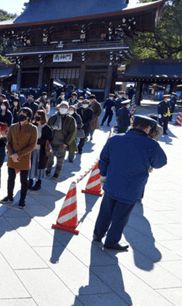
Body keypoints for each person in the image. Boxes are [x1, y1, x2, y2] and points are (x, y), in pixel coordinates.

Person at [93, 115, 167, 251]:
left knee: (105, 212)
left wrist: (104, 174)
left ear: (133, 125)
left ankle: (97, 235)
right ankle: (111, 241)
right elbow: (160, 163)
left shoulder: (115, 138)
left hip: (111, 183)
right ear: (148, 128)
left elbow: (103, 159)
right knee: (121, 217)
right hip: (131, 188)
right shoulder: (151, 144)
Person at [0, 107, 37, 208]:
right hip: (12, 157)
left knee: (24, 181)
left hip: (24, 158)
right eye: (20, 113)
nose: (21, 115)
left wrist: (19, 155)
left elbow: (32, 145)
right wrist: (12, 154)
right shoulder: (13, 126)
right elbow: (8, 142)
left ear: (28, 117)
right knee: (10, 178)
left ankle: (22, 200)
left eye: (24, 114)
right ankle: (9, 196)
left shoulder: (33, 128)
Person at [46, 102, 77, 179]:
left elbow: (73, 132)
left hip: (62, 143)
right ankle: (48, 170)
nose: (63, 108)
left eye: (65, 107)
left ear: (67, 109)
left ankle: (57, 172)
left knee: (60, 160)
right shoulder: (53, 117)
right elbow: (47, 129)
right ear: (59, 108)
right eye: (61, 106)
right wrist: (47, 140)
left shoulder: (70, 119)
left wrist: (67, 142)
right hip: (52, 141)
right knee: (49, 158)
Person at [29, 110, 53, 191]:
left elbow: (49, 139)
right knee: (31, 166)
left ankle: (38, 182)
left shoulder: (46, 128)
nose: (36, 117)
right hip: (32, 150)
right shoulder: (32, 125)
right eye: (36, 115)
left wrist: (37, 141)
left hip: (41, 151)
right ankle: (30, 181)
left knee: (40, 167)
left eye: (38, 115)